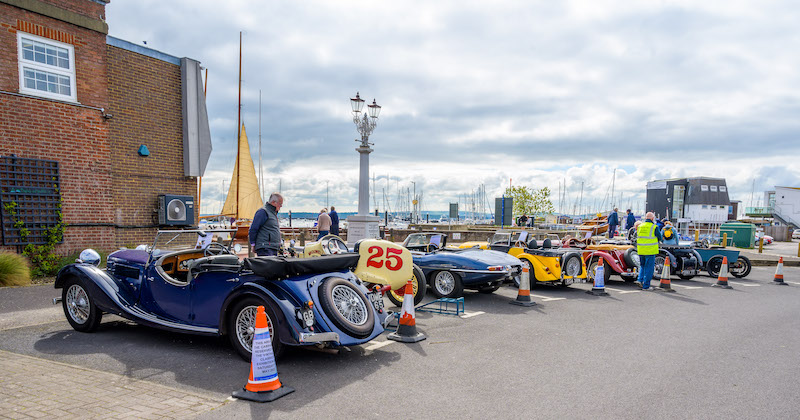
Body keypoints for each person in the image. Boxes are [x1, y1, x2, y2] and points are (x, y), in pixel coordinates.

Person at [248, 192, 284, 257]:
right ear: (273, 202)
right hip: (265, 247)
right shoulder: (263, 212)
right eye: (280, 204)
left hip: (272, 247)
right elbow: (253, 229)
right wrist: (253, 244)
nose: (281, 206)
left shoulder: (272, 213)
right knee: (268, 266)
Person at [635, 212, 663, 290]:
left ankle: (640, 280)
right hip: (650, 250)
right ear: (652, 218)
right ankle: (646, 286)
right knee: (649, 268)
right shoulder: (654, 227)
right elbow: (660, 237)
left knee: (642, 266)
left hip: (641, 249)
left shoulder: (640, 226)